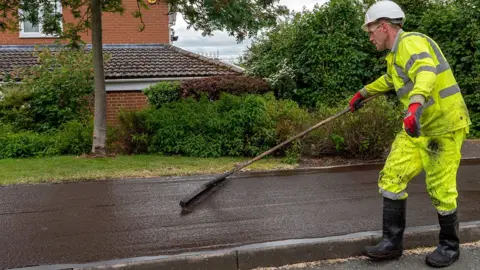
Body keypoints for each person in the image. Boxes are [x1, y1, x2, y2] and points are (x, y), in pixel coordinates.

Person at [349, 0, 471, 267]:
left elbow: (425, 71)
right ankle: (391, 243)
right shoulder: (395, 55)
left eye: (370, 31)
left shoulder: (411, 43)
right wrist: (363, 93)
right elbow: (391, 81)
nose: (369, 37)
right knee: (392, 176)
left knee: (441, 188)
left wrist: (414, 106)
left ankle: (450, 246)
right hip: (417, 127)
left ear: (384, 26)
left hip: (443, 127)